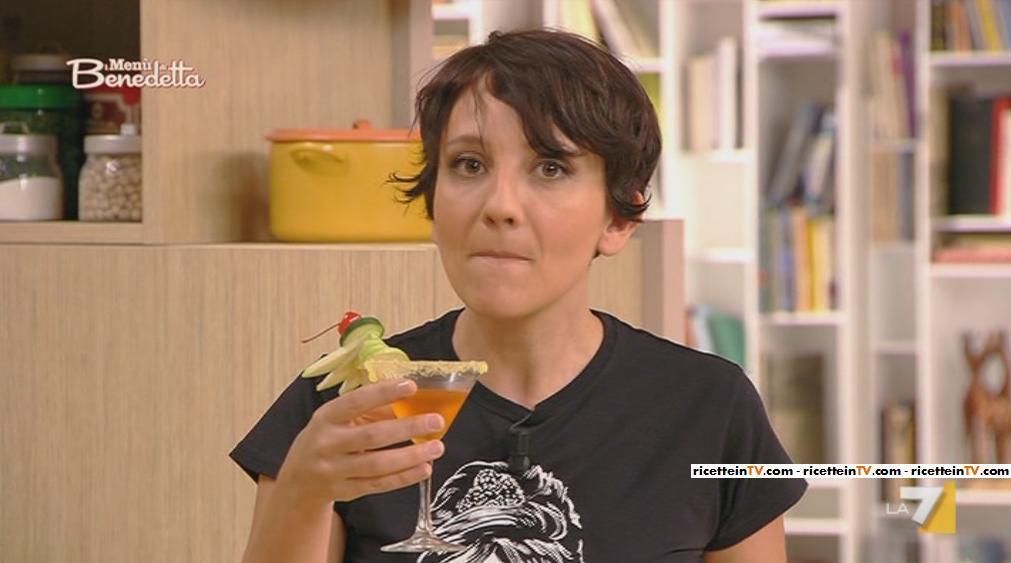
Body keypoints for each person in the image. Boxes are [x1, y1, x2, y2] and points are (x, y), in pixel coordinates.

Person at [230, 28, 806, 563]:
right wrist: (302, 489)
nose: (499, 205)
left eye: (550, 168)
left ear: (618, 218)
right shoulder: (340, 403)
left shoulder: (711, 404)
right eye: (469, 164)